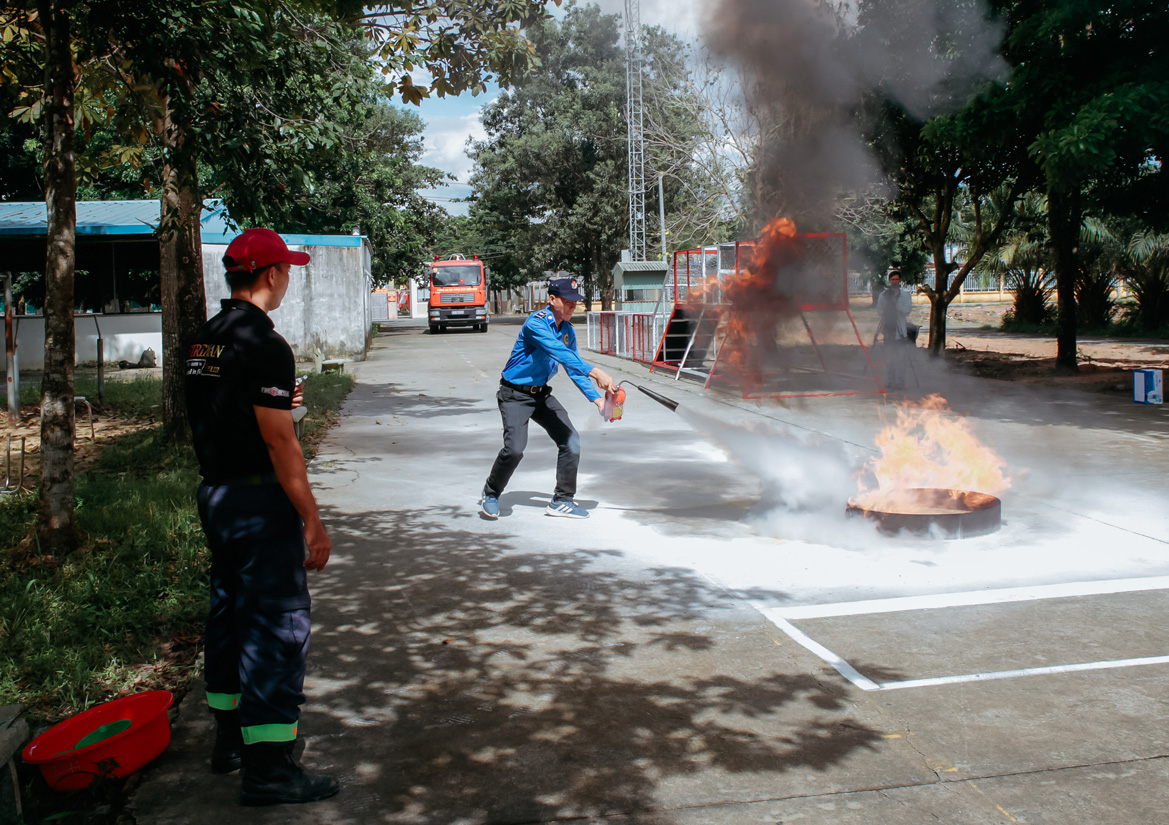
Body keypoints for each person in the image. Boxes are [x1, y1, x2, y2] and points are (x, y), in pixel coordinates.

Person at [184, 227, 338, 807]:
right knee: (276, 624)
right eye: (288, 270)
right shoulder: (264, 343)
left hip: (217, 497)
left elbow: (228, 410)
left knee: (228, 613)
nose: (289, 279)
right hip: (257, 501)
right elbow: (280, 446)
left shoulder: (205, 339)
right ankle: (270, 767)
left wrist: (280, 406)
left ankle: (228, 741)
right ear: (271, 274)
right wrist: (312, 520)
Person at [480, 277, 616, 520]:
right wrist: (595, 371)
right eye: (568, 302)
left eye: (576, 303)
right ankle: (491, 492)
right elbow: (559, 353)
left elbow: (572, 367)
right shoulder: (536, 324)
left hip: (541, 395)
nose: (574, 307)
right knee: (514, 450)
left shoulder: (568, 330)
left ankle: (562, 500)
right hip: (514, 395)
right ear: (552, 300)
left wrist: (597, 400)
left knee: (570, 440)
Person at [876, 268, 915, 344]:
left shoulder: (905, 295)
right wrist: (887, 307)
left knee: (900, 350)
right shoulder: (883, 295)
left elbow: (907, 311)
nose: (894, 282)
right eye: (892, 280)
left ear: (900, 280)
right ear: (889, 280)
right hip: (887, 327)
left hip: (900, 327)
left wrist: (895, 303)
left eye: (896, 279)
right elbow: (879, 310)